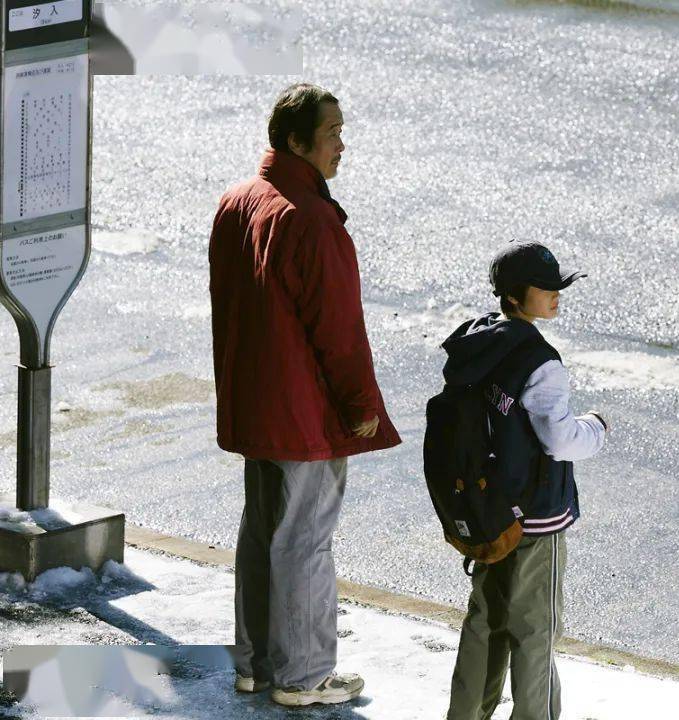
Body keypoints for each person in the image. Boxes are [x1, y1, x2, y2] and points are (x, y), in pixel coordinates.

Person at [208, 83, 401, 707]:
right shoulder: (313, 221)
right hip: (303, 410)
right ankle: (305, 674)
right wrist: (362, 407)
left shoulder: (237, 204)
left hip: (253, 401)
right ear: (297, 141)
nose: (342, 145)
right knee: (306, 540)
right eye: (332, 133)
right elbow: (339, 332)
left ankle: (257, 665)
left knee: (261, 530)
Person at [443, 241, 609, 720]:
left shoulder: (479, 343)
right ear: (517, 295)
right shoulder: (541, 361)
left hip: (488, 509)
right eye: (548, 287)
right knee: (535, 630)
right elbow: (558, 439)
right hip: (537, 517)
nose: (558, 294)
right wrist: (596, 428)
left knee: (485, 622)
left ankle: (466, 714)